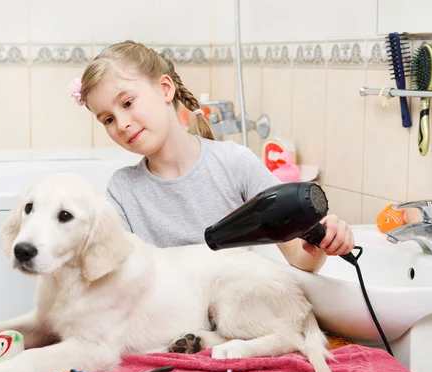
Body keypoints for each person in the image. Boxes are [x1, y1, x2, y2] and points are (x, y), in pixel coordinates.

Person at [67, 40, 354, 274]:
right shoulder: (123, 189)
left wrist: (321, 246)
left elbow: (298, 257)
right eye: (107, 120)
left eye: (128, 103)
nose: (122, 124)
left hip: (235, 310)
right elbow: (124, 277)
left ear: (165, 89)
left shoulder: (234, 163)